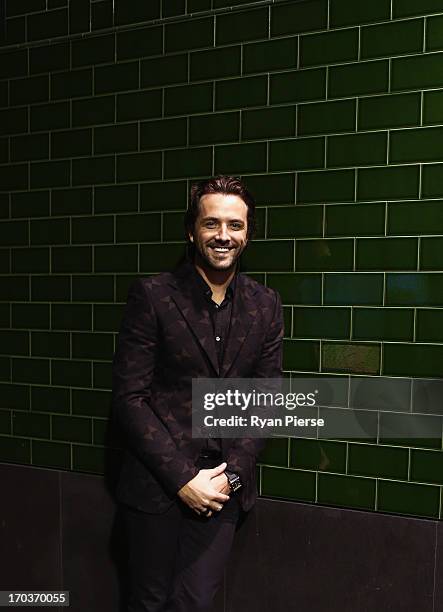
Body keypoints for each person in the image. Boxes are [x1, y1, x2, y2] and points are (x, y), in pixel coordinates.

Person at [112, 175, 283, 612]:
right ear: (192, 231)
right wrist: (183, 480)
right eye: (211, 224)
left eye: (235, 225)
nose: (223, 236)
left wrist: (233, 475)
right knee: (149, 603)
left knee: (196, 603)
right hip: (157, 489)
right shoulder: (153, 296)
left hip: (224, 489)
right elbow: (130, 398)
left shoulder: (266, 305)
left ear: (248, 233)